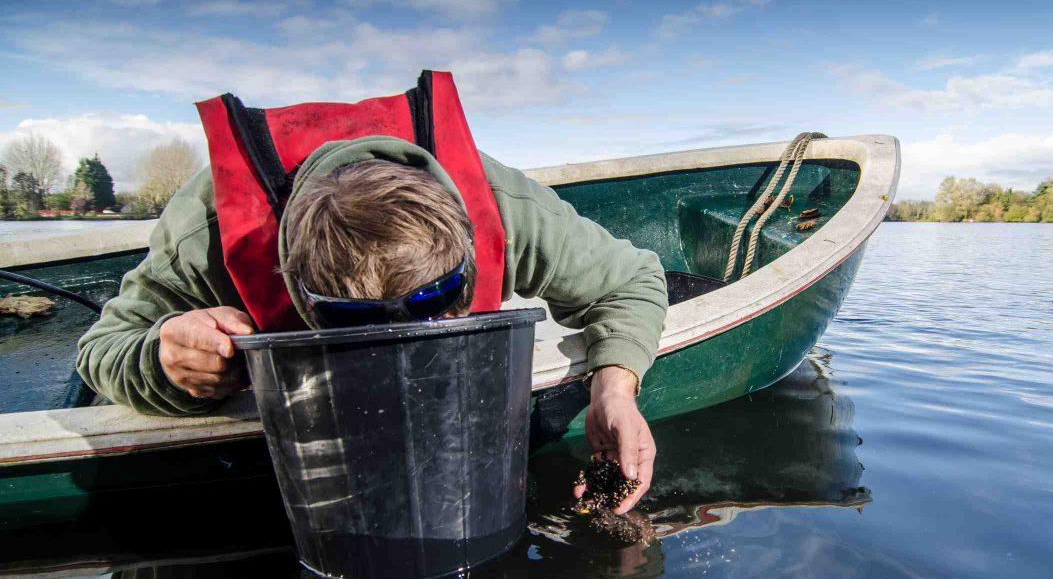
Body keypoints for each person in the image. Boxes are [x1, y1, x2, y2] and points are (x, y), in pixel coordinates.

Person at [77, 133, 667, 513]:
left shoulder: (505, 209)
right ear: (291, 280)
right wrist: (163, 359)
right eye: (353, 321)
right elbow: (102, 350)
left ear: (469, 256)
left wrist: (614, 388)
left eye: (434, 302)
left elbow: (631, 279)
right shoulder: (204, 236)